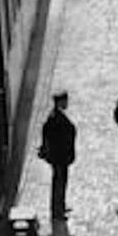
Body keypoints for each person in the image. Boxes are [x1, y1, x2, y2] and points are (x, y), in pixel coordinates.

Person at [39, 90, 76, 220]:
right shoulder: (55, 118)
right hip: (59, 156)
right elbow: (51, 136)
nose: (67, 103)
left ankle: (60, 206)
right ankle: (57, 210)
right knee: (59, 182)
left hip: (61, 156)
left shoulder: (57, 115)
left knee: (61, 182)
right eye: (65, 101)